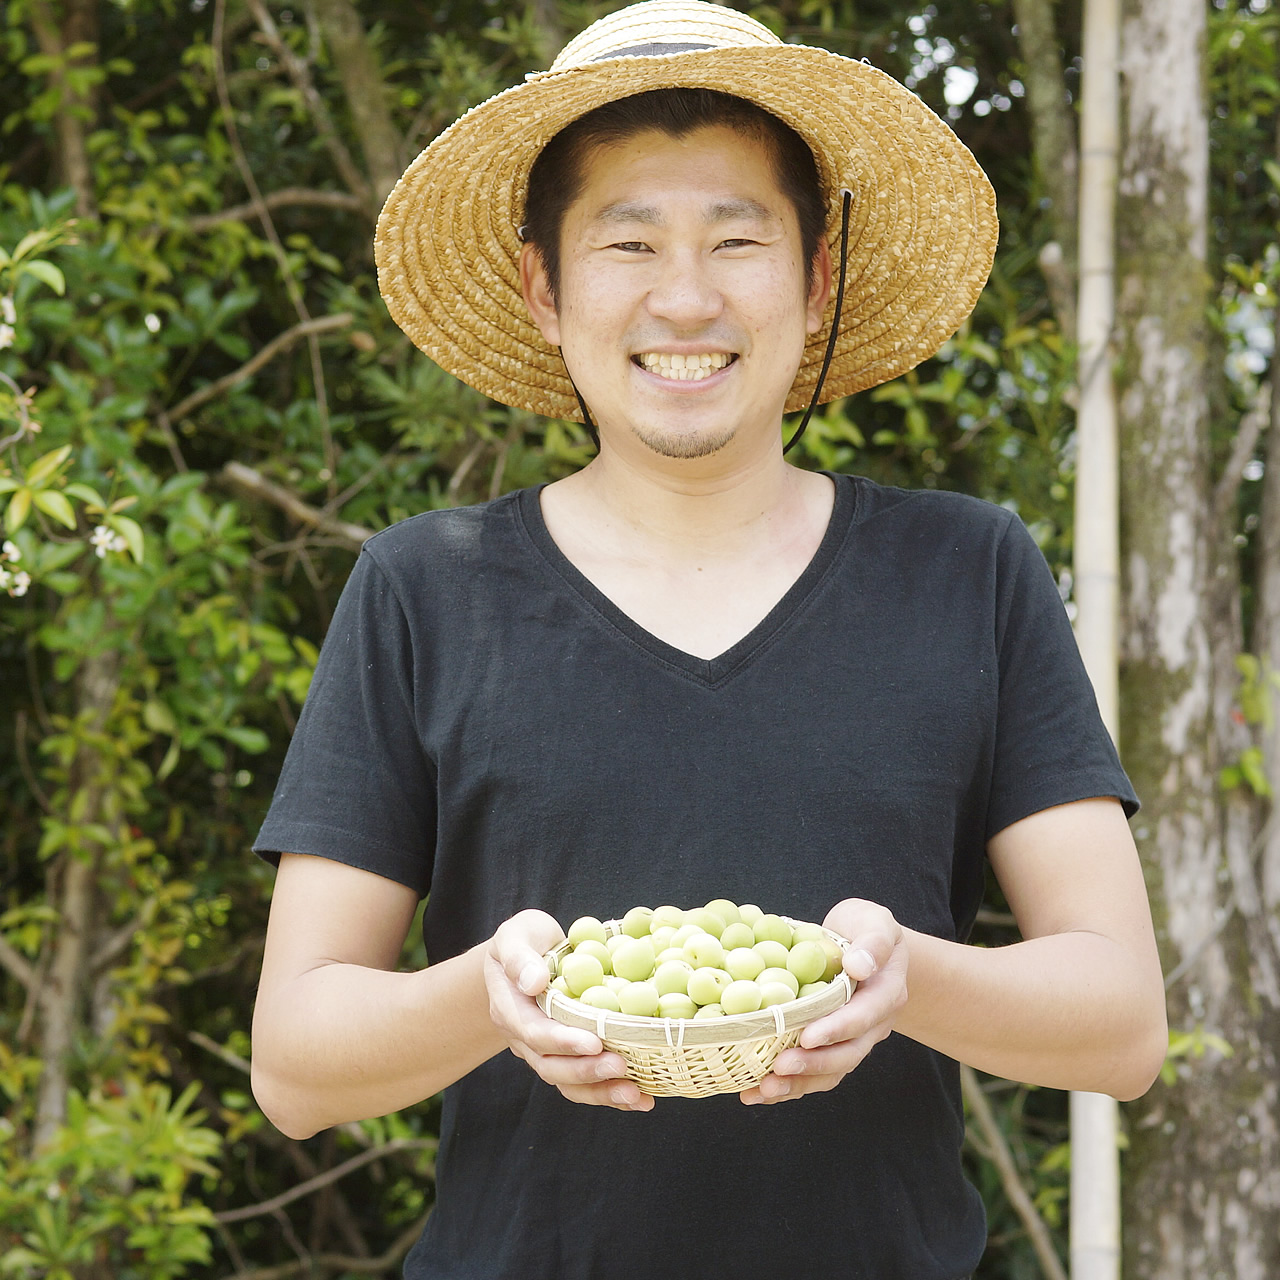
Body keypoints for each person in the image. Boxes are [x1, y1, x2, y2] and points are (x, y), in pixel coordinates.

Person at [249, 4, 1168, 1277]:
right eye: (626, 241)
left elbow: (1119, 1023)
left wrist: (904, 981)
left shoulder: (967, 570)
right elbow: (294, 1062)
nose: (684, 298)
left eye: (737, 238)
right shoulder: (424, 590)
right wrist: (486, 999)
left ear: (816, 274)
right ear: (542, 282)